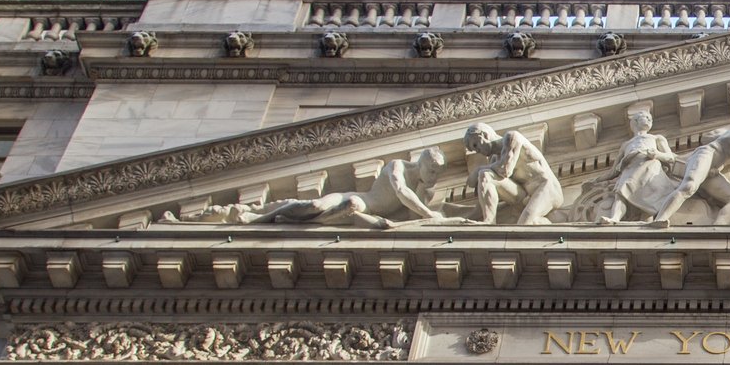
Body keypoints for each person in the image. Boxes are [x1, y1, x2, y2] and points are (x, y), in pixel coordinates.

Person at [158, 148, 460, 229]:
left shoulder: (425, 188)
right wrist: (431, 215)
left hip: (360, 216)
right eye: (432, 170)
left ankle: (279, 219)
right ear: (422, 162)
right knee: (313, 206)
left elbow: (414, 220)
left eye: (438, 174)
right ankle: (256, 218)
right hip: (357, 200)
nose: (435, 176)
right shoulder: (397, 167)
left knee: (339, 213)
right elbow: (402, 194)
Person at [597, 105, 683, 224]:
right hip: (630, 170)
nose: (649, 120)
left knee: (650, 197)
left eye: (650, 119)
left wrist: (657, 154)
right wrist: (596, 180)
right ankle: (615, 218)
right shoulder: (626, 145)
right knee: (621, 194)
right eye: (646, 117)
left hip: (650, 170)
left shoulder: (656, 138)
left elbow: (670, 157)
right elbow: (613, 171)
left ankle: (650, 222)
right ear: (635, 121)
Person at [464, 123, 564, 225]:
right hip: (525, 195)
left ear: (485, 135)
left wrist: (478, 170)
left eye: (475, 145)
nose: (477, 151)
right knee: (485, 175)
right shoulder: (494, 159)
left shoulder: (511, 137)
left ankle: (557, 223)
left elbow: (505, 169)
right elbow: (481, 192)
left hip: (547, 188)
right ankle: (489, 221)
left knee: (524, 224)